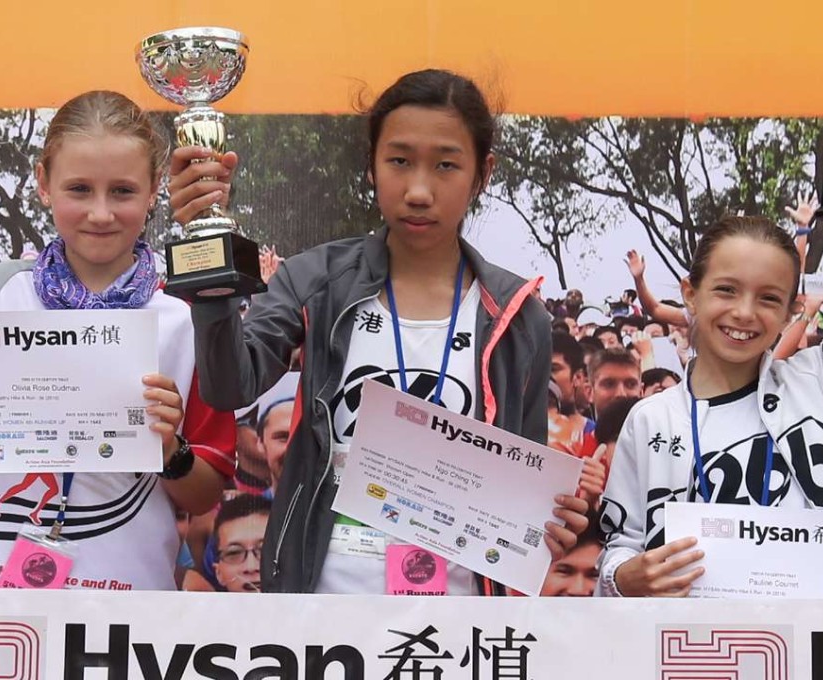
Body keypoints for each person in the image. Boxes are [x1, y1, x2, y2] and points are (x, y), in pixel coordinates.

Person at [171, 69, 588, 595]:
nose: (418, 190)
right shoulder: (315, 281)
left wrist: (548, 519)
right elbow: (231, 387)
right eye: (399, 161)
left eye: (445, 165)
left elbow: (521, 478)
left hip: (458, 611)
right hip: (324, 600)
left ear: (483, 173)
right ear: (370, 164)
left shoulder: (517, 315)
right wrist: (205, 246)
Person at [0, 91, 235, 590]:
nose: (100, 214)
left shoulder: (184, 317)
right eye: (79, 188)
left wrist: (170, 449)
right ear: (43, 183)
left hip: (124, 597)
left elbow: (203, 495)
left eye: (122, 191)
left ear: (154, 190)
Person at [598, 196, 823, 596]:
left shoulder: (819, 379)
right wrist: (623, 577)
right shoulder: (652, 419)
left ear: (791, 311)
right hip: (700, 650)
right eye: (726, 290)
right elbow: (621, 544)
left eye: (769, 298)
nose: (745, 312)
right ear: (690, 293)